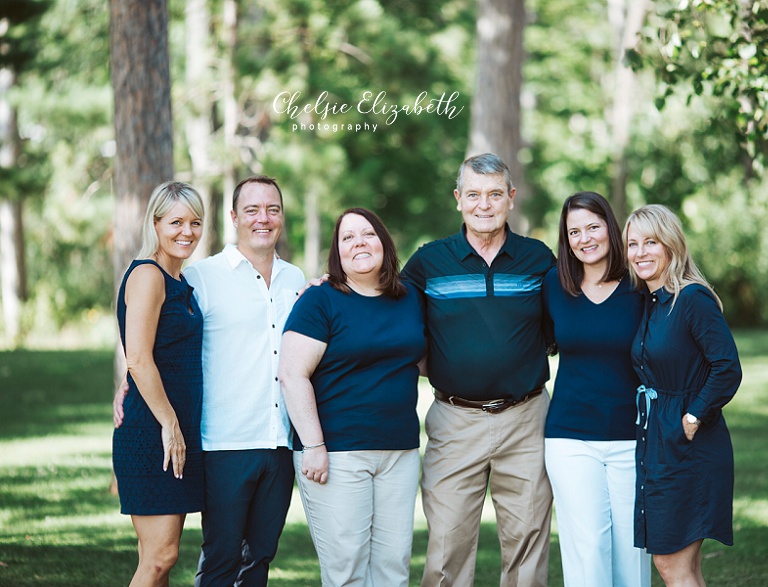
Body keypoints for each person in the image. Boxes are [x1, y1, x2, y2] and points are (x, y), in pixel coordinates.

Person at [116, 175, 307, 586]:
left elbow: (159, 344)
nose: (263, 218)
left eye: (272, 209)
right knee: (182, 557)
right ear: (235, 217)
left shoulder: (295, 281)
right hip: (197, 438)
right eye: (252, 210)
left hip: (267, 439)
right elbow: (141, 349)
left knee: (236, 558)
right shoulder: (192, 278)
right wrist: (134, 382)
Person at [402, 152, 555, 587]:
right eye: (473, 195)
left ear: (510, 198)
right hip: (454, 420)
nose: (483, 205)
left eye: (493, 195)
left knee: (527, 542)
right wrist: (326, 284)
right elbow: (384, 311)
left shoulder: (538, 259)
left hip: (526, 419)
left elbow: (567, 320)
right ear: (458, 199)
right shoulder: (428, 262)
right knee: (447, 545)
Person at [279, 208, 425, 587]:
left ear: (384, 243)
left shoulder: (408, 297)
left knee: (394, 568)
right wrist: (313, 444)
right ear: (337, 253)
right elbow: (292, 375)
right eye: (348, 237)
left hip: (400, 452)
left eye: (368, 234)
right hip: (338, 453)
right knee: (347, 570)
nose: (359, 242)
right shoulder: (319, 300)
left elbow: (422, 359)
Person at [624, 204, 742, 587]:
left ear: (671, 245)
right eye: (632, 244)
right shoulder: (651, 301)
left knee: (671, 565)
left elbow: (728, 367)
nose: (640, 252)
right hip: (658, 442)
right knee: (681, 568)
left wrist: (693, 417)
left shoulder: (691, 299)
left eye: (650, 242)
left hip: (689, 445)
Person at [542, 192, 651, 586]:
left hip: (631, 435)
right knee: (586, 547)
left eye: (593, 226)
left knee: (632, 549)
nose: (584, 238)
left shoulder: (640, 284)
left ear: (610, 227)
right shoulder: (554, 284)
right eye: (574, 231)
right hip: (570, 437)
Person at [113, 181, 205, 587]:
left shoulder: (180, 280)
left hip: (174, 427)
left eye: (195, 222)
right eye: (176, 222)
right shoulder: (149, 275)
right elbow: (138, 357)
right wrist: (170, 424)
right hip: (154, 430)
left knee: (156, 557)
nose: (187, 231)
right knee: (161, 556)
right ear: (155, 223)